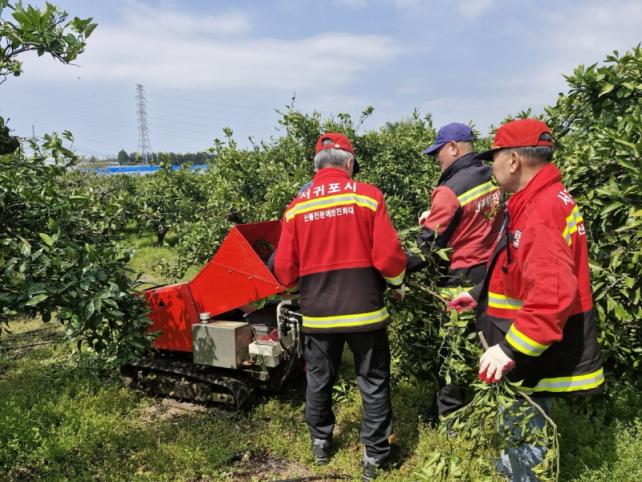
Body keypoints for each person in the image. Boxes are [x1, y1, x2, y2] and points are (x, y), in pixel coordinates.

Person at [449, 118, 604, 480]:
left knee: (526, 420)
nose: (492, 166)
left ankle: (521, 474)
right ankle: (513, 467)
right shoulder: (539, 199)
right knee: (522, 417)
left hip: (530, 340)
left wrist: (509, 350)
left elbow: (551, 295)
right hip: (528, 333)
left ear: (514, 160)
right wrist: (479, 295)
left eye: (495, 157)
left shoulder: (540, 212)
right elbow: (520, 268)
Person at [274, 133, 407, 481]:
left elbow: (285, 270)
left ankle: (320, 442)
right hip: (365, 312)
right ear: (349, 163)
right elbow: (388, 257)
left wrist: (298, 290)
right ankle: (376, 455)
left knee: (319, 378)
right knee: (373, 380)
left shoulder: (296, 207)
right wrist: (397, 284)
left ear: (316, 166)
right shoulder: (368, 196)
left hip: (318, 314)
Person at [417, 122, 503, 420]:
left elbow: (428, 245)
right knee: (486, 342)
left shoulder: (449, 189)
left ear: (453, 147)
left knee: (452, 347)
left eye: (438, 153)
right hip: (491, 274)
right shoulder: (493, 176)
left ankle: (449, 413)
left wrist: (396, 269)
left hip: (460, 277)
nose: (436, 160)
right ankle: (490, 404)